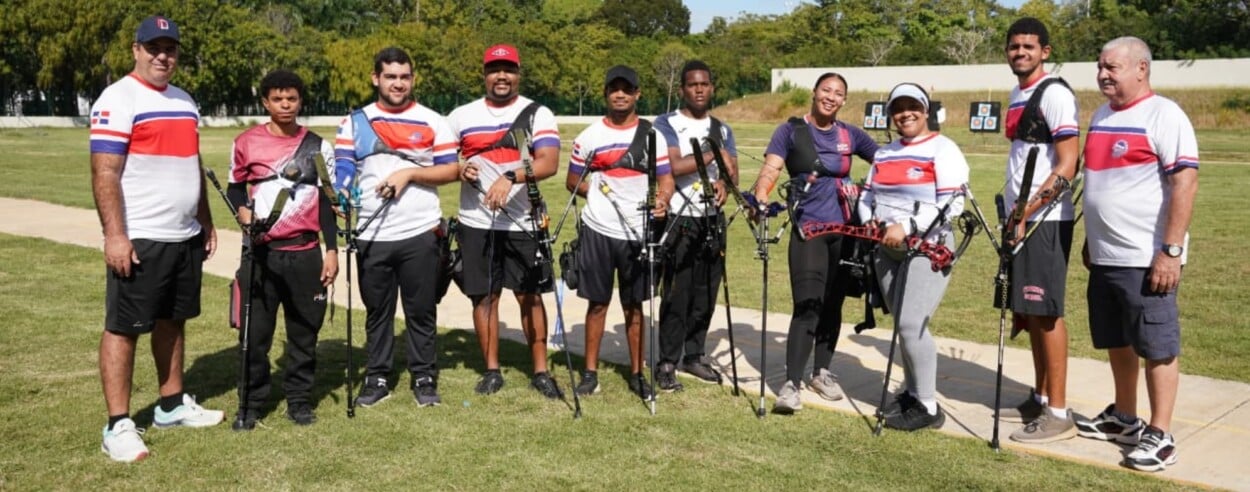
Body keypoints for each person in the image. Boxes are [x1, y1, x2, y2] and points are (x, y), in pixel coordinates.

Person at [89, 14, 223, 463]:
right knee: (124, 328)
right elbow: (105, 171)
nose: (163, 56)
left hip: (183, 234)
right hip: (141, 235)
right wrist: (115, 235)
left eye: (170, 48)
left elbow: (192, 162)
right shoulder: (118, 98)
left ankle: (170, 405)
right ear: (136, 50)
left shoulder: (184, 100)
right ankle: (118, 424)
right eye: (154, 48)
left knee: (173, 319)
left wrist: (204, 219)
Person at [1075, 36, 1198, 472]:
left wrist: (1170, 251)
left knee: (1156, 344)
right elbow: (1102, 186)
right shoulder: (1101, 115)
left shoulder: (1165, 115)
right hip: (1106, 255)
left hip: (1147, 258)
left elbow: (1185, 183)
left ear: (1141, 69)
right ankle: (1125, 417)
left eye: (1113, 67)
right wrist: (1093, 237)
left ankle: (1161, 434)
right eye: (1100, 66)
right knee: (1118, 338)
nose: (1103, 74)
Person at [333, 47, 459, 408]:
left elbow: (450, 170)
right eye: (390, 76)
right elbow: (344, 168)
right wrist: (342, 193)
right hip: (372, 234)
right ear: (376, 78)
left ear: (412, 79)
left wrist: (409, 173)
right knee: (378, 312)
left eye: (404, 76)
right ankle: (377, 377)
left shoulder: (434, 120)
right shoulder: (354, 121)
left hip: (420, 231)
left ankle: (424, 376)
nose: (398, 83)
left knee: (421, 311)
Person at [751, 72, 879, 413]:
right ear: (814, 92)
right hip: (809, 231)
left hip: (846, 233)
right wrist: (761, 196)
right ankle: (791, 383)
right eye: (826, 90)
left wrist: (873, 192)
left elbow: (887, 161)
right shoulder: (791, 131)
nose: (831, 97)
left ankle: (821, 372)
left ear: (844, 101)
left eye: (839, 94)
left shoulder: (850, 134)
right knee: (807, 305)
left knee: (833, 304)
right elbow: (770, 170)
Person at [448, 44, 563, 399]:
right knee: (484, 297)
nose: (502, 76)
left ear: (518, 73)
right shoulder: (461, 116)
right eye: (495, 69)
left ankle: (541, 371)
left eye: (508, 69)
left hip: (522, 223)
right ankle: (492, 369)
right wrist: (459, 168)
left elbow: (548, 162)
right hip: (475, 221)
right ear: (484, 74)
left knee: (529, 296)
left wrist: (511, 176)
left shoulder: (537, 113)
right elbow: (442, 159)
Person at [226, 69, 338, 430]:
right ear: (265, 103)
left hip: (306, 252)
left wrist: (332, 250)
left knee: (304, 333)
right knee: (255, 335)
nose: (285, 105)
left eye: (291, 98)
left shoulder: (320, 146)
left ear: (300, 101)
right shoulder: (246, 142)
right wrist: (242, 212)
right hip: (261, 253)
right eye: (277, 99)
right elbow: (235, 188)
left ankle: (299, 401)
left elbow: (326, 202)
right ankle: (251, 403)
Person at [857, 83, 968, 431]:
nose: (905, 113)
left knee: (910, 324)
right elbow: (866, 196)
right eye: (898, 108)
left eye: (912, 106)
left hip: (928, 246)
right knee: (904, 326)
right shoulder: (884, 153)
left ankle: (928, 406)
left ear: (925, 109)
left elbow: (954, 203)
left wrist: (907, 225)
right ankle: (911, 392)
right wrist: (869, 220)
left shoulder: (943, 149)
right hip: (887, 248)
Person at [996, 17, 1082, 444]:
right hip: (1022, 218)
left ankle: (1060, 413)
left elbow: (1068, 165)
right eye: (1014, 46)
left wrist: (1029, 211)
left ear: (1045, 51)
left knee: (1045, 312)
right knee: (1028, 313)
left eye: (1029, 47)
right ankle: (1041, 394)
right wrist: (1014, 211)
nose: (1021, 53)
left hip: (1044, 221)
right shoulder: (1018, 92)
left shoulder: (1055, 95)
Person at [566, 65, 674, 400]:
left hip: (638, 231)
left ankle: (638, 373)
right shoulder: (589, 137)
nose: (620, 94)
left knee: (633, 306)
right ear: (606, 93)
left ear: (638, 94)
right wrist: (598, 195)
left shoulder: (653, 136)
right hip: (598, 230)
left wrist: (663, 198)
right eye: (614, 88)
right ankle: (590, 374)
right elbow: (572, 182)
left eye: (627, 89)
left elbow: (666, 179)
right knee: (597, 304)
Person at [652, 60, 738, 392]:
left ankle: (695, 354)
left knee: (706, 291)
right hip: (678, 217)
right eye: (692, 85)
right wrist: (712, 154)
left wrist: (724, 186)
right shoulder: (666, 123)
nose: (699, 89)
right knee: (676, 292)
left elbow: (732, 175)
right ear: (682, 89)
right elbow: (674, 165)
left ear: (712, 87)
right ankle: (668, 360)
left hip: (712, 220)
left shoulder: (723, 128)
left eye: (704, 84)